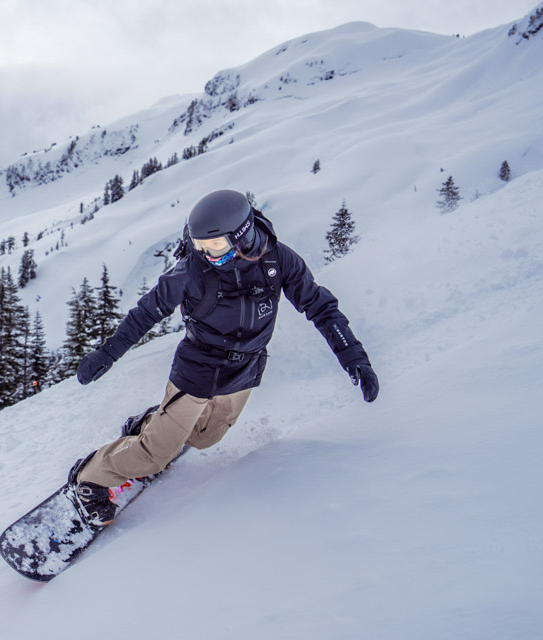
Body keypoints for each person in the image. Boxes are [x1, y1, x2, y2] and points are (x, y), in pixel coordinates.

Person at [67, 189, 378, 526]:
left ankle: (150, 423)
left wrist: (354, 358)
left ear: (242, 237)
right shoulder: (190, 271)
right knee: (157, 455)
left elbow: (320, 307)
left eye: (215, 246)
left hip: (245, 367)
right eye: (200, 245)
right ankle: (89, 479)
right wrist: (107, 353)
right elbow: (146, 313)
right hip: (199, 366)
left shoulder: (279, 261)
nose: (206, 254)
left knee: (205, 437)